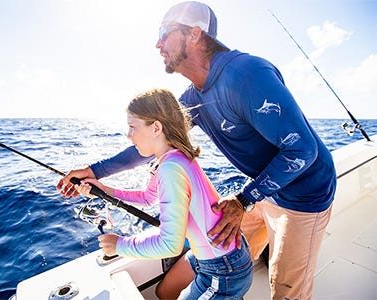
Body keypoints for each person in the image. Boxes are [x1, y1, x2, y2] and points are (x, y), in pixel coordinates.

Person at [57, 2, 337, 299]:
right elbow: (154, 142)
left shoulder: (247, 75)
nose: (157, 44)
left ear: (194, 34)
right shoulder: (194, 98)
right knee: (228, 249)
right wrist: (94, 172)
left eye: (164, 33)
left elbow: (303, 151)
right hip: (264, 190)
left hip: (304, 194)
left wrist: (244, 200)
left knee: (286, 289)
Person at [75, 88, 253, 299]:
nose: (128, 135)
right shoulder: (170, 159)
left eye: (132, 127)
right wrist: (103, 190)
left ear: (156, 128)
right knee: (164, 291)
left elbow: (170, 244)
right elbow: (148, 198)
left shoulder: (170, 168)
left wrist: (120, 245)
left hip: (223, 270)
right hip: (213, 256)